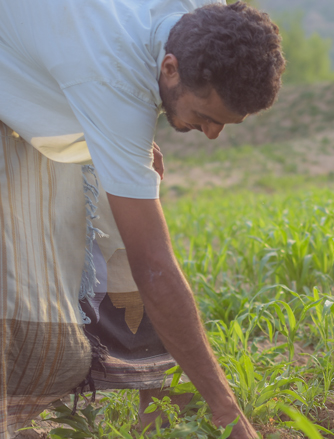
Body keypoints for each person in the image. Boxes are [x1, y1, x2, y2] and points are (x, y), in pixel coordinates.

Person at [0, 0, 285, 437]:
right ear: (169, 68)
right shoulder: (111, 77)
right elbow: (153, 265)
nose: (212, 134)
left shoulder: (193, 16)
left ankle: (163, 401)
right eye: (207, 117)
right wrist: (226, 411)